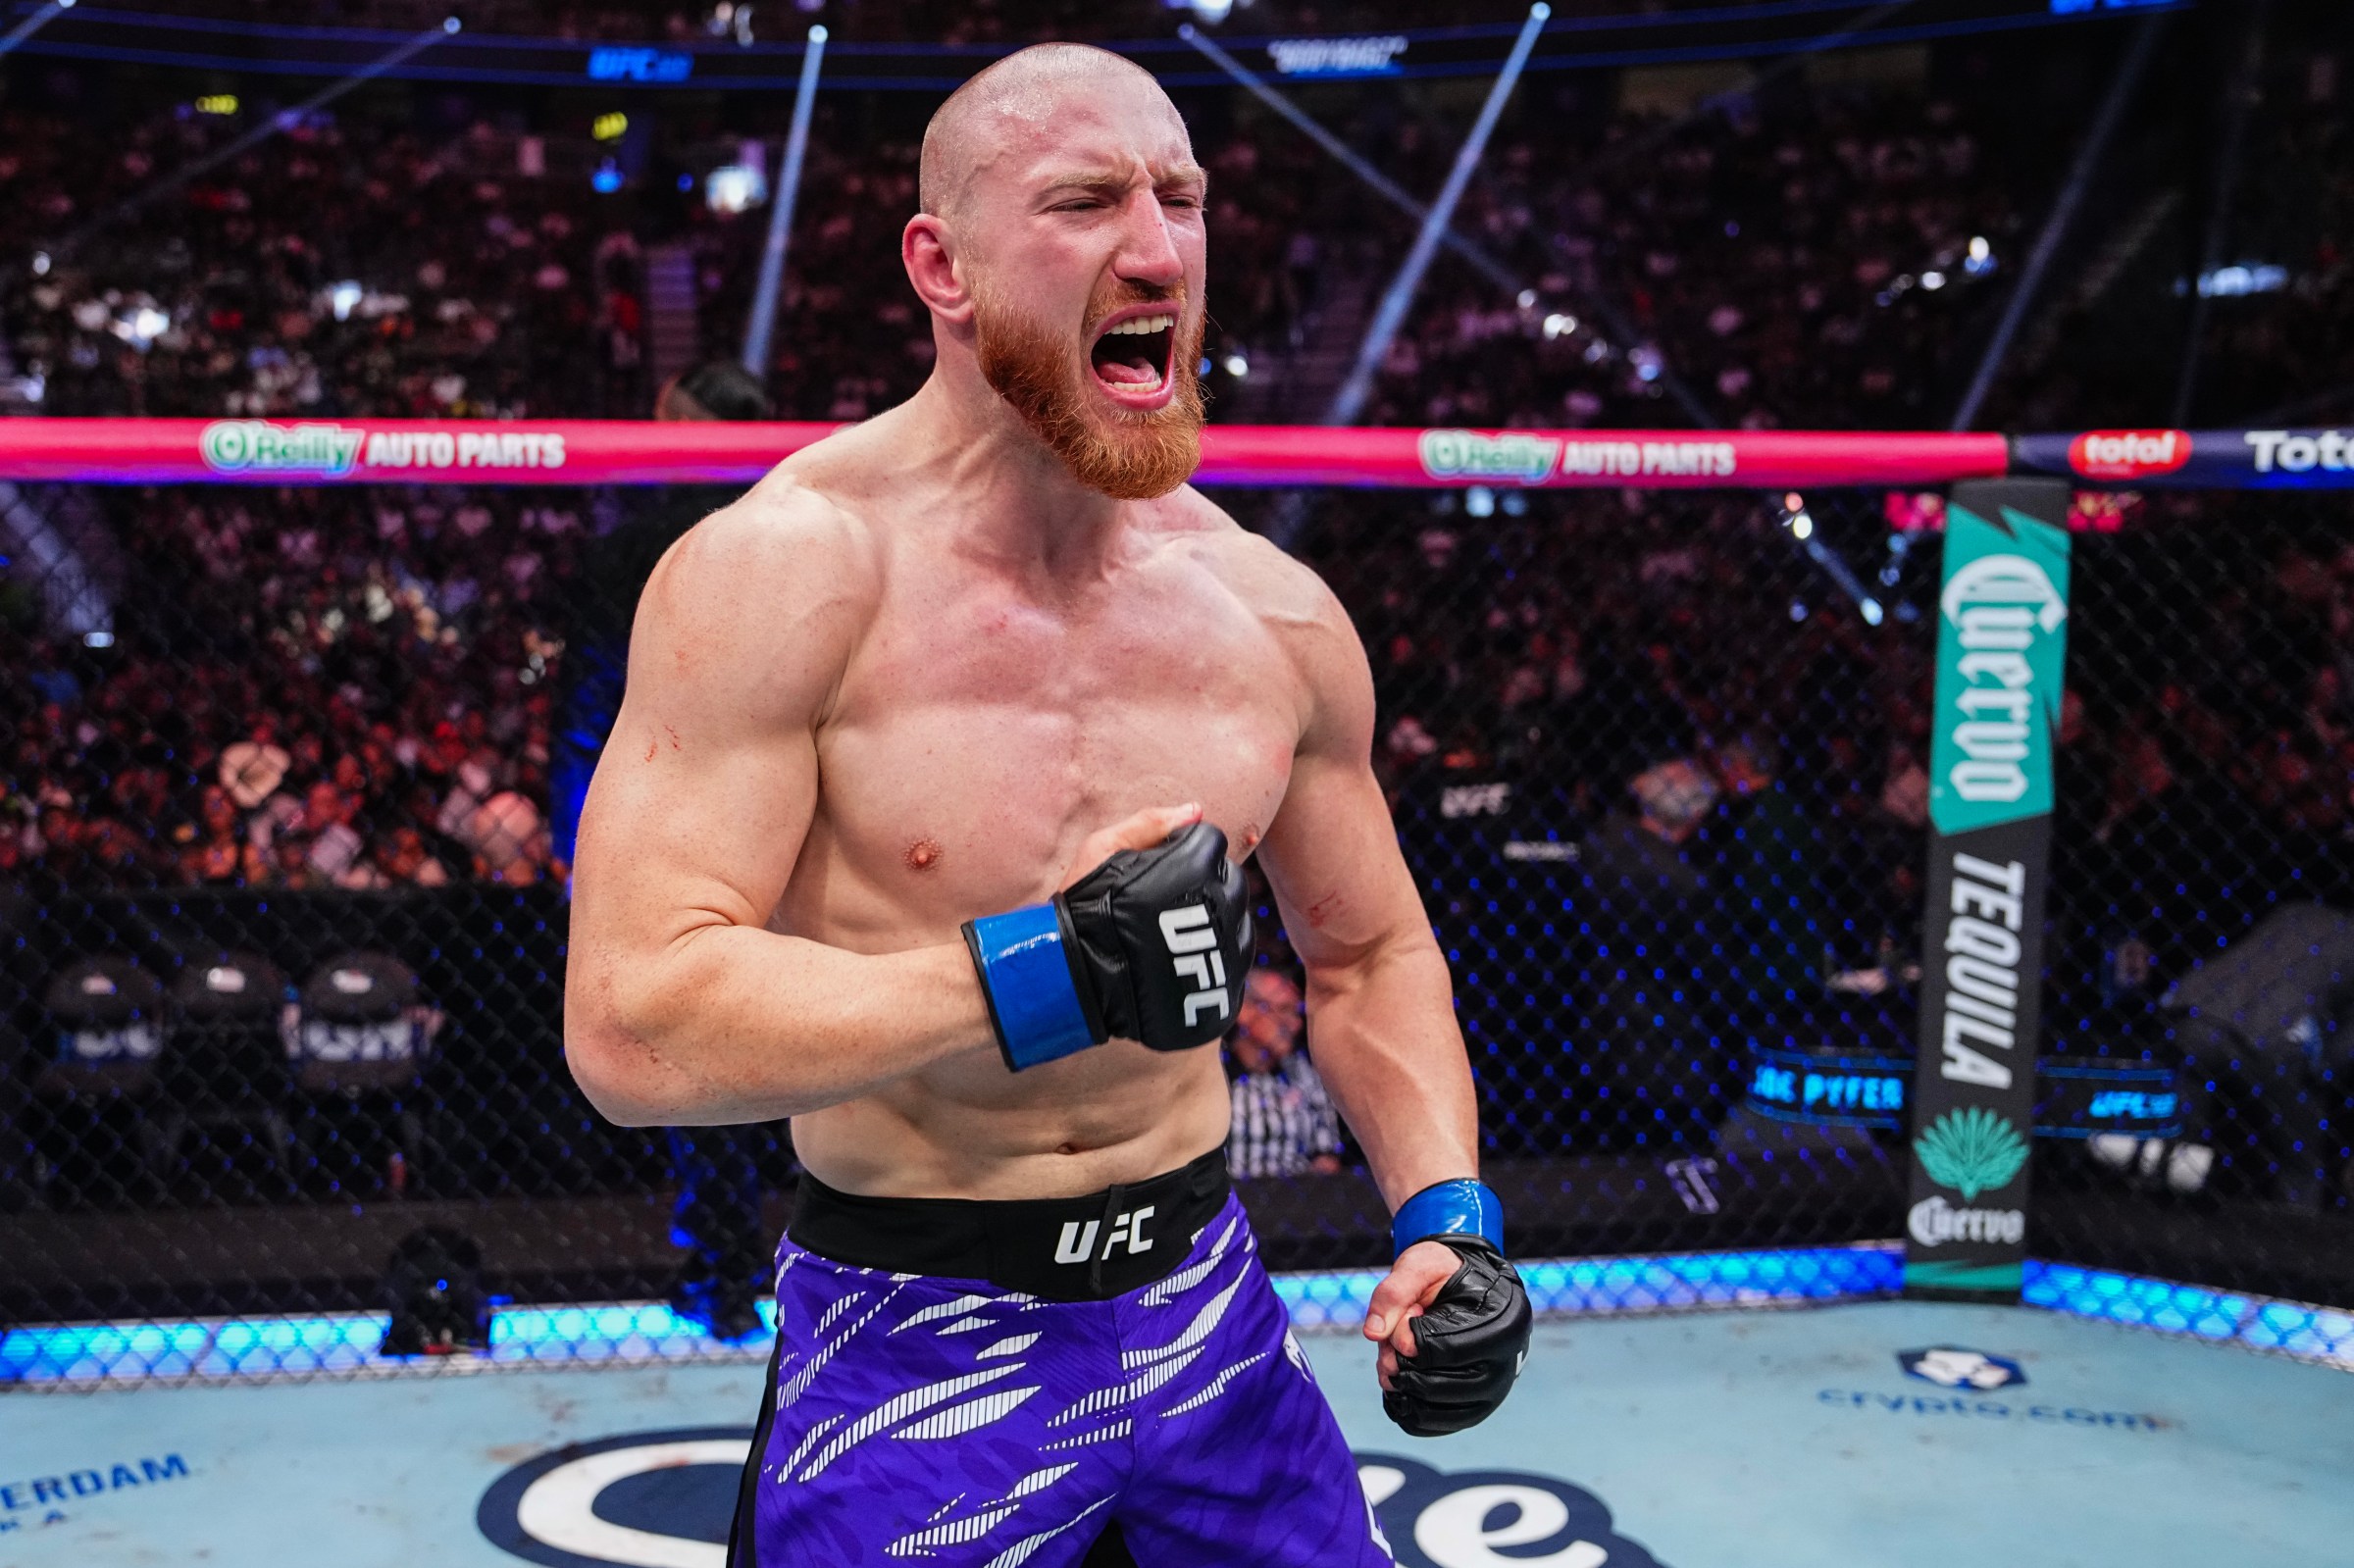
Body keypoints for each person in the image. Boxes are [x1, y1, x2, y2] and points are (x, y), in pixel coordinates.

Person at [566, 44, 1529, 1568]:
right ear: (941, 265)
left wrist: (1447, 1216)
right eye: (1085, 201)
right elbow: (631, 1022)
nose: (1157, 248)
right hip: (911, 1329)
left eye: (1182, 198)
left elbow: (1370, 958)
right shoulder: (785, 574)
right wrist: (1038, 968)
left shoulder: (1269, 613)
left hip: (1209, 1314)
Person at [1225, 969, 1345, 1178]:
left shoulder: (1304, 1074)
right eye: (1283, 1009)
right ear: (1244, 1011)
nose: (1295, 1023)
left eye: (1296, 1012)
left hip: (1292, 1203)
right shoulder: (1213, 1072)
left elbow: (1326, 1156)